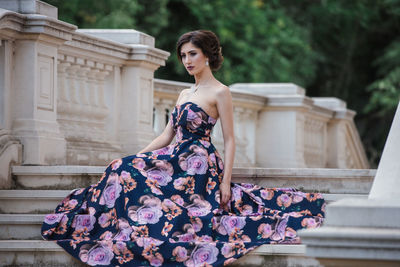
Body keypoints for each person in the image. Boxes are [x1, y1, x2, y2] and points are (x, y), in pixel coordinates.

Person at [42, 30, 325, 267]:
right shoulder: (183, 93)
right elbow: (167, 135)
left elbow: (229, 139)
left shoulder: (220, 92)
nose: (187, 60)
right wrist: (137, 158)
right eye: (183, 55)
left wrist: (225, 182)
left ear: (207, 56)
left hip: (199, 164)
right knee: (121, 167)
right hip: (175, 157)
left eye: (193, 54)